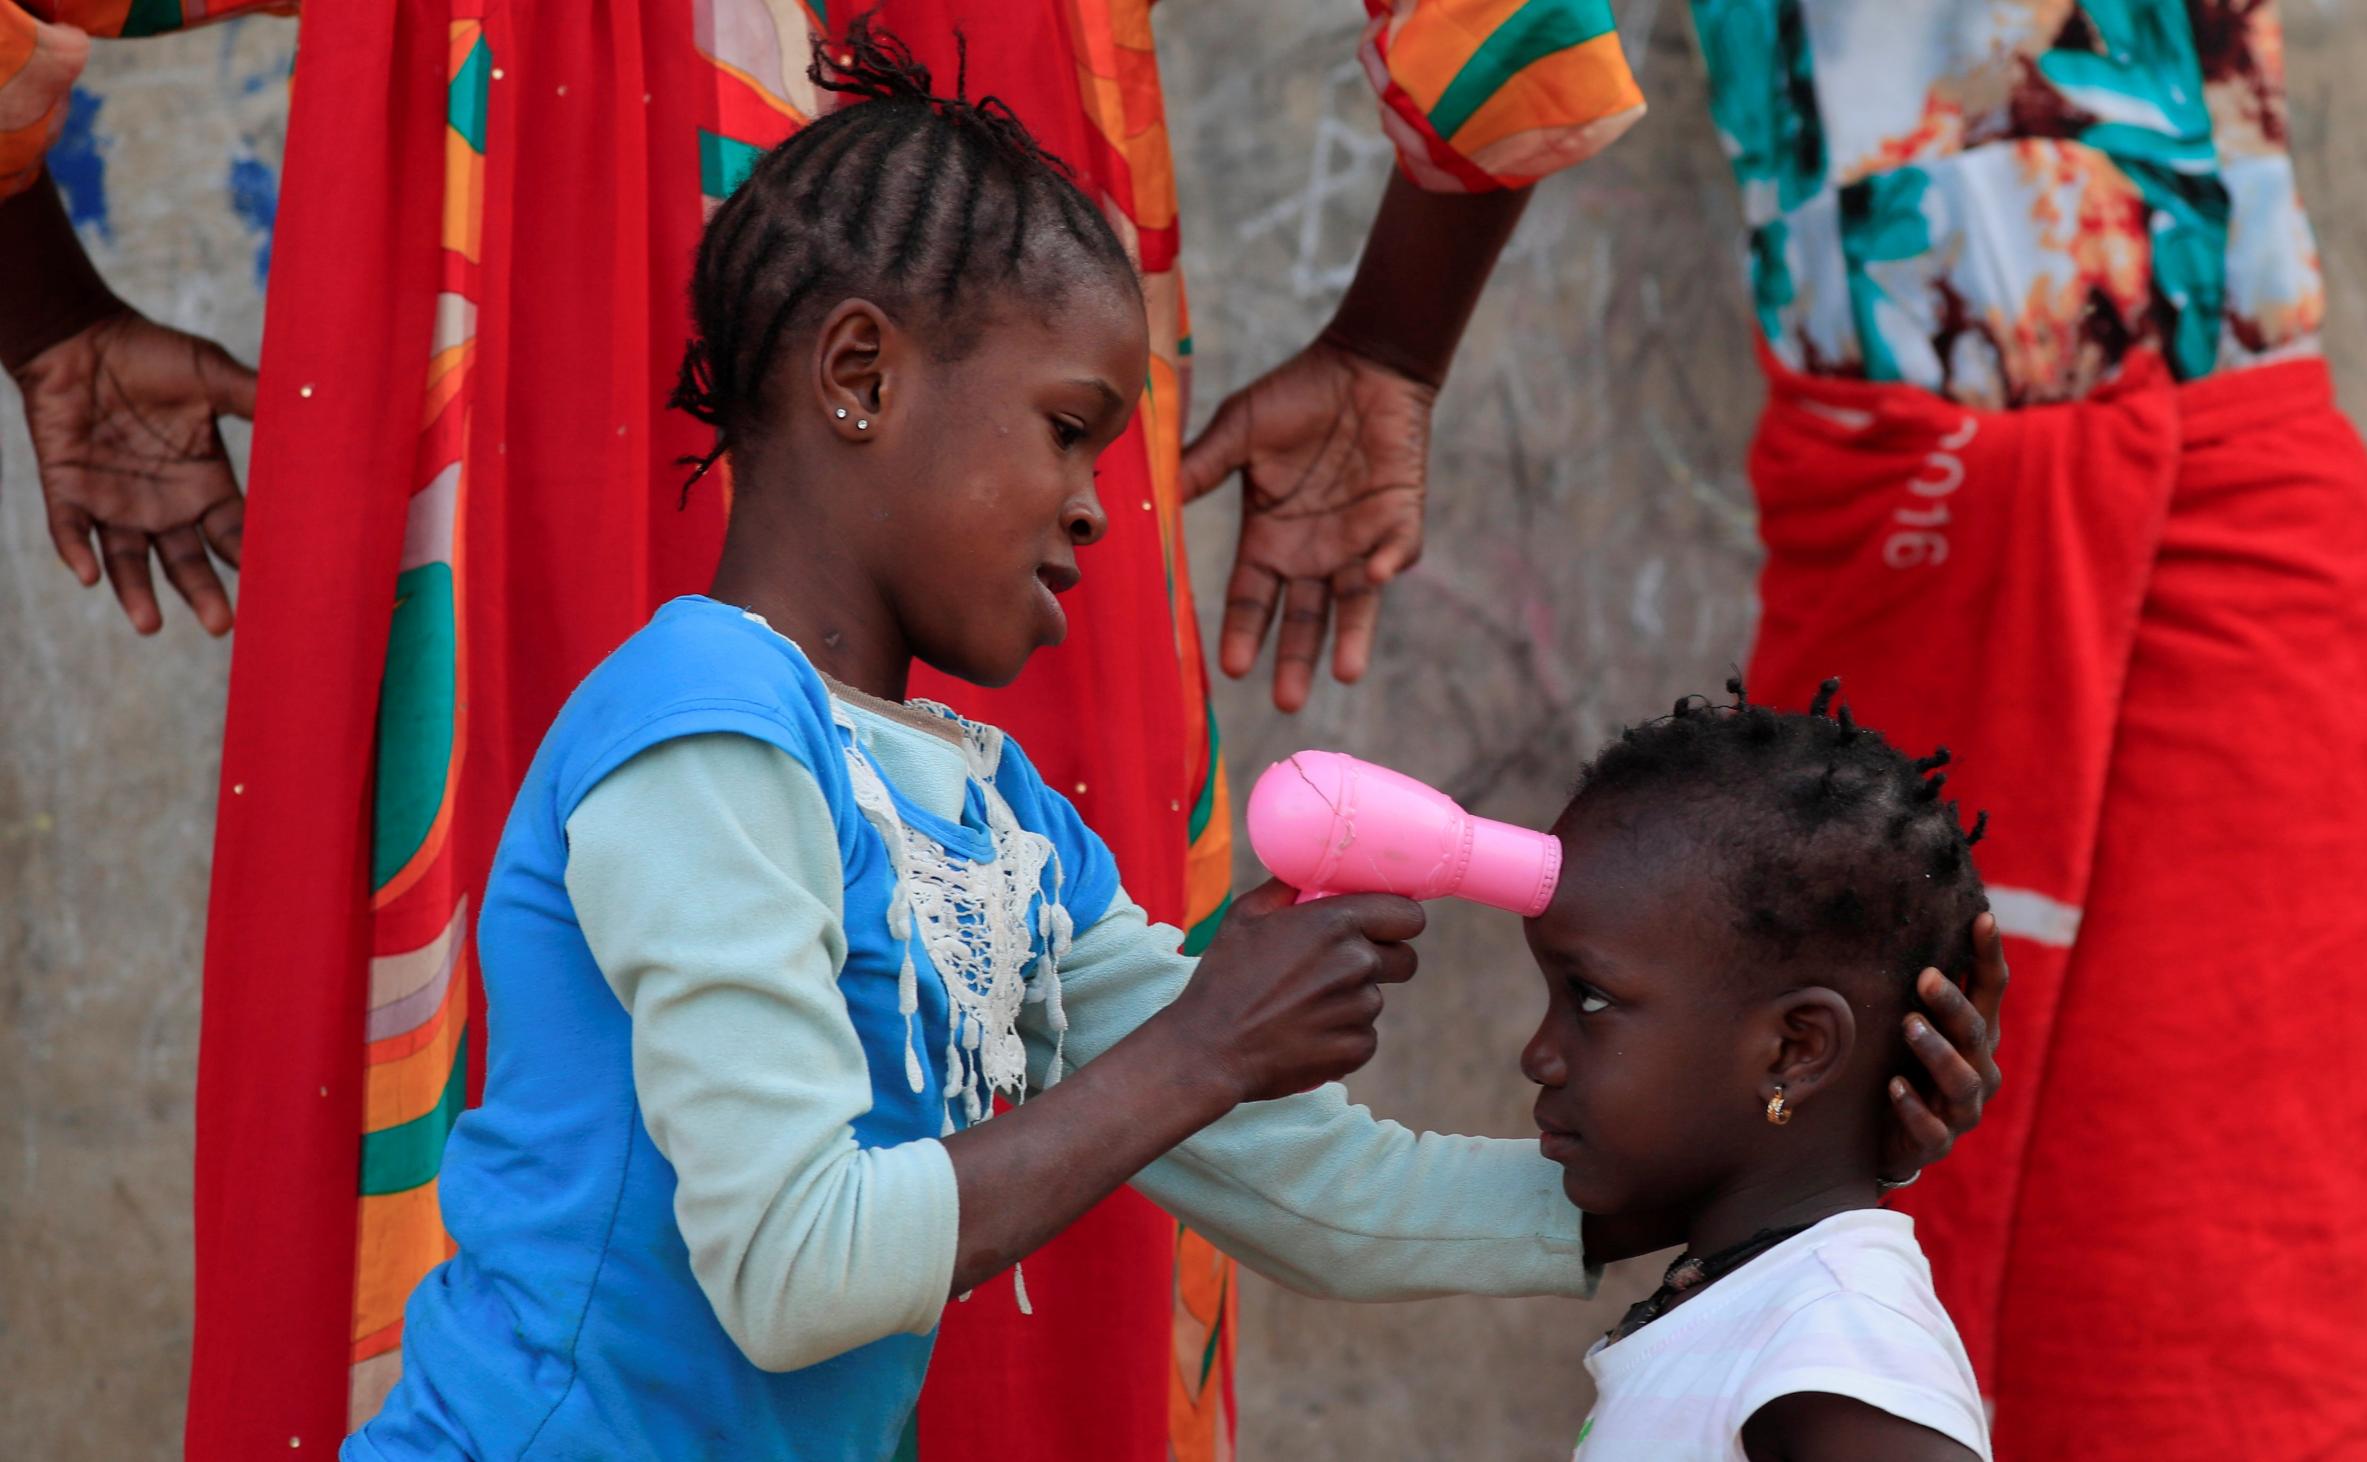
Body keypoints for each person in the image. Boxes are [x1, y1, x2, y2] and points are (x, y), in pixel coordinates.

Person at [341, 31, 2002, 1462]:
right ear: (859, 375)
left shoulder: (991, 820)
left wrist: (1763, 1153)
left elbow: (1313, 1196)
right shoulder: (698, 734)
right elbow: (791, 1267)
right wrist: (1200, 1046)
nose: (1093, 506)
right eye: (1069, 427)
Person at [1680, 5, 2367, 1458]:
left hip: (2236, 600)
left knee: (2211, 1344)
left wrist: (1395, 346)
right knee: (1840, 1320)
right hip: (1888, 559)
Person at [1533, 677, 1994, 1462]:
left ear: (1794, 1049)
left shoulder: (1836, 1350)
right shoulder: (1754, 1307)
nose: (1539, 1054)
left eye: (1593, 1000)